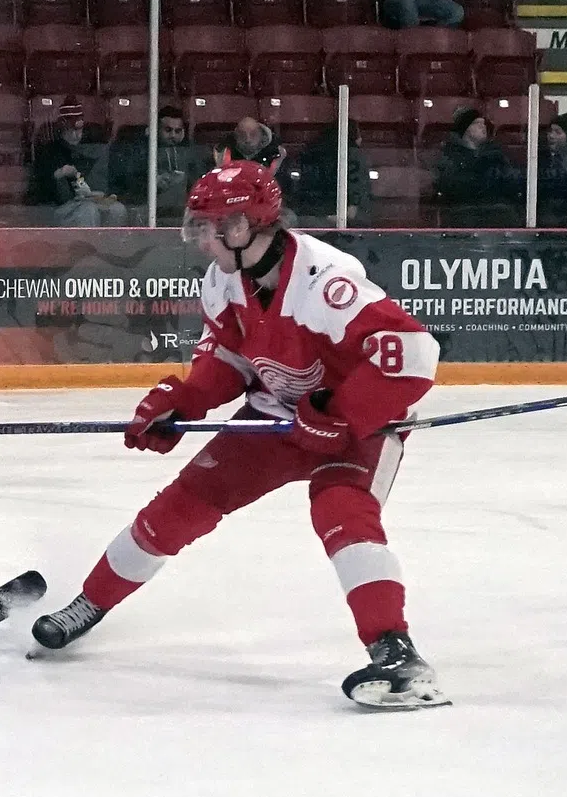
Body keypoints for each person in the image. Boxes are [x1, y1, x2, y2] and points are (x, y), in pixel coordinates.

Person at [30, 164, 450, 709]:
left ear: (249, 226)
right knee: (183, 503)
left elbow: (414, 354)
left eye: (214, 226)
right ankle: (90, 602)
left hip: (354, 427)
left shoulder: (325, 279)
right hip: (276, 414)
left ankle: (398, 654)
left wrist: (341, 412)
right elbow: (227, 360)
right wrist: (183, 401)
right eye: (199, 226)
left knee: (341, 514)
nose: (203, 238)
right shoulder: (223, 280)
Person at [27, 102, 126, 227]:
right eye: (70, 129)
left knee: (117, 210)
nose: (75, 135)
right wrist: (59, 174)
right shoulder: (49, 151)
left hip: (93, 200)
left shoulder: (94, 149)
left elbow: (113, 181)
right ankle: (86, 246)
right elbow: (39, 190)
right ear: (61, 128)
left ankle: (113, 246)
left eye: (79, 129)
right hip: (58, 206)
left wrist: (103, 193)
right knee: (87, 211)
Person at [105, 105, 213, 219]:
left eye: (178, 131)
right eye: (168, 130)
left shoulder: (192, 152)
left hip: (181, 210)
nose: (173, 135)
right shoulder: (138, 150)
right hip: (146, 208)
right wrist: (151, 183)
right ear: (156, 129)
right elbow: (127, 186)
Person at [434, 108, 520, 226]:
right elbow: (450, 185)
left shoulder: (495, 153)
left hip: (494, 208)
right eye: (477, 123)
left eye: (483, 123)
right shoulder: (450, 154)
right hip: (463, 210)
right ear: (465, 129)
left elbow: (510, 179)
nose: (483, 127)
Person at [287, 120, 372, 226]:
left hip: (307, 218)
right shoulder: (352, 155)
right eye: (359, 134)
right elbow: (354, 203)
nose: (361, 139)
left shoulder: (309, 154)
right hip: (338, 224)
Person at [215, 115, 289, 179]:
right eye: (242, 135)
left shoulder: (278, 155)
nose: (248, 139)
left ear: (262, 135)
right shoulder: (221, 154)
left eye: (253, 134)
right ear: (236, 136)